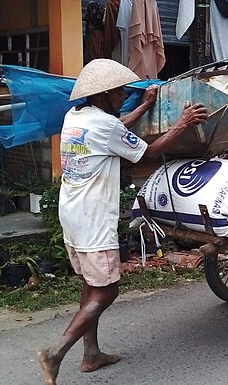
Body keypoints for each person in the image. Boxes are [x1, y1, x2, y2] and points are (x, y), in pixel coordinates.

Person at [37, 59, 208, 384]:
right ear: (102, 94)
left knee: (91, 284)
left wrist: (143, 106)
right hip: (93, 218)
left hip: (72, 214)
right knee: (108, 291)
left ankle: (91, 354)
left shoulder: (76, 116)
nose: (122, 96)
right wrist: (183, 124)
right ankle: (57, 352)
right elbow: (149, 151)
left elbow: (118, 130)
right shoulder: (105, 125)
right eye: (118, 92)